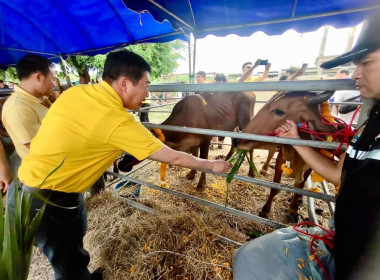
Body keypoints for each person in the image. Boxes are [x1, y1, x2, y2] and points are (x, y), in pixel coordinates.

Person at [12, 50, 231, 280]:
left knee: (74, 240)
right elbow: (173, 157)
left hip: (31, 188)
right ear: (125, 83)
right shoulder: (116, 120)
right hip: (50, 200)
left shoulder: (75, 93)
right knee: (68, 269)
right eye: (146, 85)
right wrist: (210, 165)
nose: (147, 93)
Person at [276, 8, 380, 280]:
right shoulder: (370, 124)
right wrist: (295, 141)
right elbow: (338, 176)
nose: (355, 74)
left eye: (366, 62)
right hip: (348, 254)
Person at [2, 54, 55, 160]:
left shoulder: (40, 99)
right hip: (48, 172)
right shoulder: (17, 108)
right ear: (39, 77)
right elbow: (38, 150)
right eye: (52, 79)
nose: (53, 84)